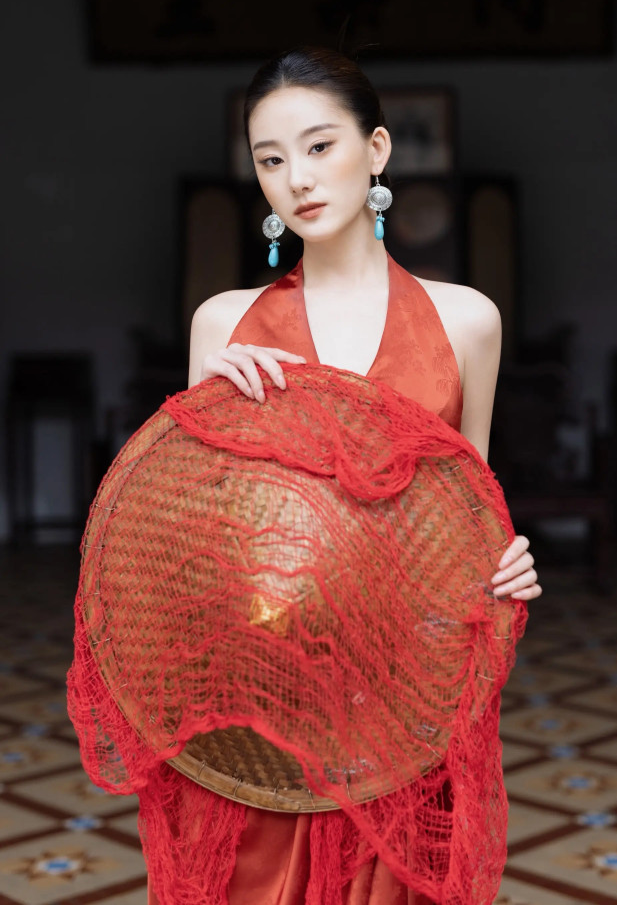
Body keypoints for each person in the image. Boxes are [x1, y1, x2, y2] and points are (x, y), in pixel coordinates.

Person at [148, 44, 541, 905]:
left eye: (320, 146)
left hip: (404, 700)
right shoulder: (223, 325)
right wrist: (202, 410)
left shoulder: (467, 320)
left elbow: (468, 513)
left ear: (378, 149)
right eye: (270, 159)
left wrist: (505, 565)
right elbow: (186, 544)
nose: (297, 178)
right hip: (265, 697)